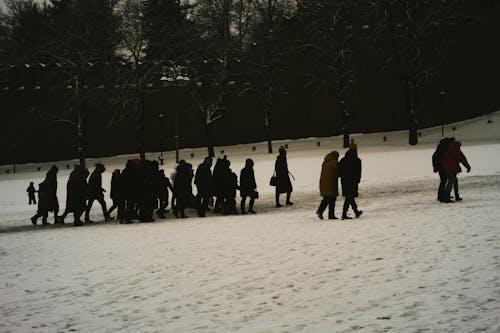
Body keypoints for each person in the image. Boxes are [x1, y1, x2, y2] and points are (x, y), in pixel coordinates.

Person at [339, 144, 363, 220]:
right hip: (353, 181)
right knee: (349, 197)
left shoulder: (343, 160)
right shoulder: (357, 160)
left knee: (350, 197)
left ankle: (355, 212)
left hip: (345, 181)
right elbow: (358, 172)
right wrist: (358, 180)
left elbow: (340, 171)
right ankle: (344, 214)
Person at [316, 151, 340, 220]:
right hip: (331, 183)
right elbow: (338, 173)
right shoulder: (334, 163)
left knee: (326, 198)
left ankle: (320, 211)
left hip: (324, 183)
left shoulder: (325, 162)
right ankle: (330, 215)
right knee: (332, 199)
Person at [432, 137, 454, 202]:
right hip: (441, 167)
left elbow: (434, 157)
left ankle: (442, 195)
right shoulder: (443, 148)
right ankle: (441, 196)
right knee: (444, 180)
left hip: (441, 167)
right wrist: (436, 167)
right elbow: (436, 158)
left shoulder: (440, 147)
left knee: (443, 180)